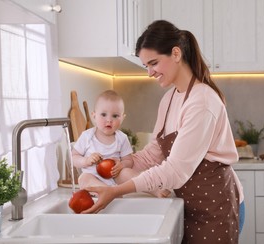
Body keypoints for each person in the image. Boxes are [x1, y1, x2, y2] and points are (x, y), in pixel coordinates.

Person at [83, 20, 244, 244]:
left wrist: (116, 191)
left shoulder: (202, 101)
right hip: (186, 205)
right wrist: (121, 164)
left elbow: (175, 170)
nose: (149, 73)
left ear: (176, 53)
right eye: (146, 66)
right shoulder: (169, 98)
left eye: (154, 63)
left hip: (215, 207)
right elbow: (155, 152)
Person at [72, 90, 134, 188]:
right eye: (103, 114)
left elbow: (129, 161)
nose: (109, 120)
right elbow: (74, 157)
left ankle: (153, 187)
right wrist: (86, 161)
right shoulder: (87, 136)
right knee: (83, 179)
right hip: (93, 177)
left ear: (122, 118)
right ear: (94, 116)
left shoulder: (122, 138)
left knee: (127, 172)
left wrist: (122, 165)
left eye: (115, 116)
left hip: (115, 176)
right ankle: (106, 191)